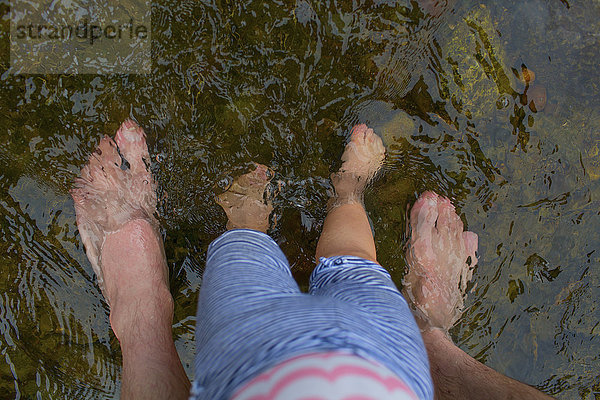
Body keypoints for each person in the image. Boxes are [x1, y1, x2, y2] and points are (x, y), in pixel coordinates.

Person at [71, 120, 553, 399]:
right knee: (345, 261)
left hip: (378, 366)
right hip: (265, 362)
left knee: (351, 259)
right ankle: (426, 331)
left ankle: (144, 311)